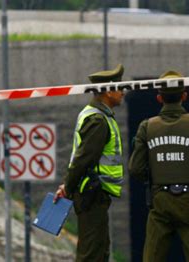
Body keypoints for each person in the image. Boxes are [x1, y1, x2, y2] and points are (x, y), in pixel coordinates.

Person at [128, 70, 189, 262]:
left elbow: (135, 168)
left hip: (160, 200)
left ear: (159, 98)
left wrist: (154, 181)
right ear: (184, 96)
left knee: (152, 256)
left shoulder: (147, 127)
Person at [54, 64, 125, 262]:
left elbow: (81, 157)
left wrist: (68, 185)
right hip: (92, 194)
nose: (123, 92)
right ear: (108, 92)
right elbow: (84, 158)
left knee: (100, 251)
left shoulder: (99, 116)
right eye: (120, 88)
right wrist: (68, 187)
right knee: (91, 253)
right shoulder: (98, 120)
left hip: (95, 194)